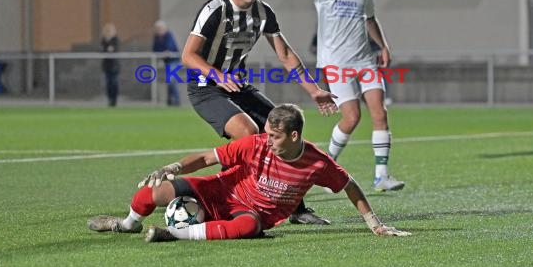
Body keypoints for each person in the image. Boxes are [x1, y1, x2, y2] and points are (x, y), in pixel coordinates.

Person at [87, 104, 411, 241]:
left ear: (294, 136)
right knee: (152, 193)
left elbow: (349, 185)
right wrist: (171, 168)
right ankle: (127, 225)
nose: (267, 140)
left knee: (246, 226)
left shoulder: (317, 162)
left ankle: (170, 234)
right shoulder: (255, 144)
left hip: (249, 212)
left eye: (275, 136)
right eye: (267, 133)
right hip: (217, 191)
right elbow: (206, 157)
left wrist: (375, 224)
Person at [181, 0, 337, 225]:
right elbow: (188, 56)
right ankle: (231, 199)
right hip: (205, 86)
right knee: (247, 132)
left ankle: (296, 209)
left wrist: (314, 90)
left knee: (284, 128)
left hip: (237, 86)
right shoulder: (214, 10)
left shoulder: (264, 13)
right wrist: (218, 75)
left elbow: (286, 55)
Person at [291, 0, 404, 192]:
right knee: (351, 118)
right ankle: (325, 167)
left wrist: (384, 45)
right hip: (336, 65)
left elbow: (370, 20)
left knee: (380, 113)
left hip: (365, 61)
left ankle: (381, 176)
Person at [153, 20, 180, 106]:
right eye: (158, 29)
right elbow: (155, 49)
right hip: (166, 62)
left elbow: (170, 47)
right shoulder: (156, 38)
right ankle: (170, 100)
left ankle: (176, 100)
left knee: (171, 80)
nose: (159, 30)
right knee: (169, 81)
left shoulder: (169, 35)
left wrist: (165, 52)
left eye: (160, 28)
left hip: (173, 60)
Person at [101, 23, 120, 107]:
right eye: (107, 31)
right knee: (108, 83)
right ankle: (110, 99)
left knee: (114, 83)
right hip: (107, 65)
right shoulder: (103, 40)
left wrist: (110, 49)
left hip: (114, 65)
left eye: (110, 31)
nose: (108, 32)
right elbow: (104, 50)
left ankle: (114, 100)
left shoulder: (115, 40)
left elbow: (113, 49)